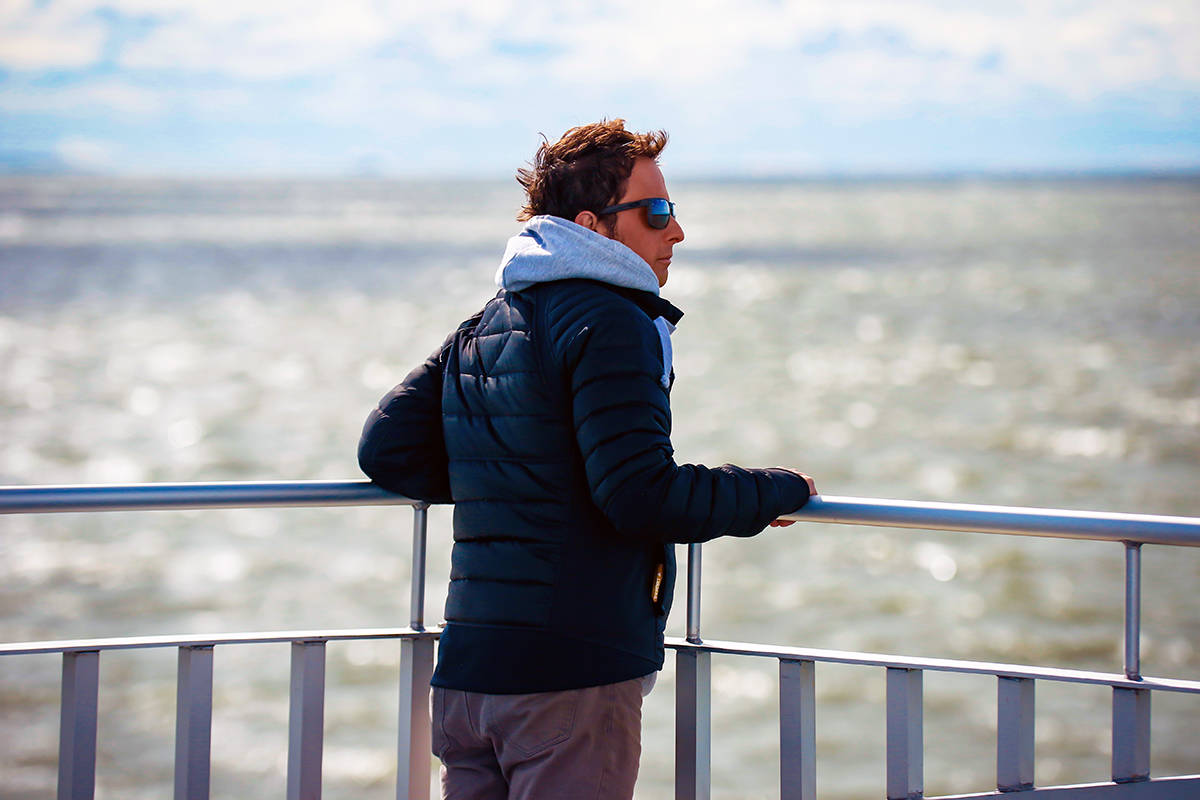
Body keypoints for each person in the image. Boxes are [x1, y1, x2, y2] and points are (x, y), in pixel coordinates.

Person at [357, 119, 816, 800]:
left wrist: (522, 477)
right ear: (592, 225)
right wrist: (774, 490)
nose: (676, 232)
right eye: (656, 212)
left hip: (468, 678)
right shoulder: (614, 320)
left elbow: (386, 449)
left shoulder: (490, 319)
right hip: (567, 677)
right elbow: (640, 494)